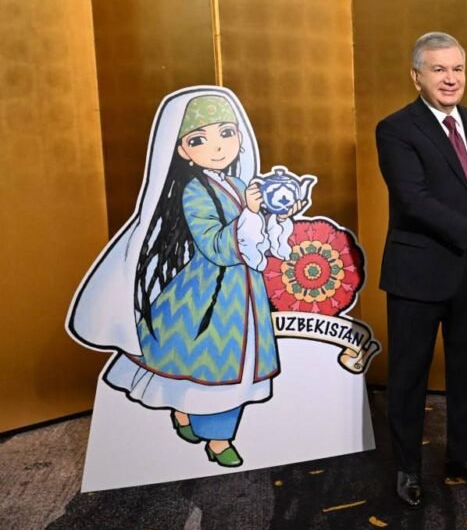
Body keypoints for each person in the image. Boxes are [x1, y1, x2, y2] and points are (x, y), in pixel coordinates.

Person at [69, 87, 304, 468]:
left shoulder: (239, 185)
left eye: (227, 133)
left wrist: (276, 214)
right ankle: (216, 439)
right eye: (199, 139)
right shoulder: (194, 192)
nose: (217, 146)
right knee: (207, 365)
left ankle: (198, 422)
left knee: (232, 366)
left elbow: (263, 243)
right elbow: (215, 246)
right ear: (181, 150)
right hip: (208, 295)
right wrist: (249, 214)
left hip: (244, 293)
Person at [375, 32, 467, 507]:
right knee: (409, 377)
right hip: (417, 274)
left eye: (457, 69)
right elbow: (414, 200)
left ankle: (463, 458)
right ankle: (407, 470)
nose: (450, 78)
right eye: (438, 69)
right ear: (417, 77)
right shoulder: (395, 128)